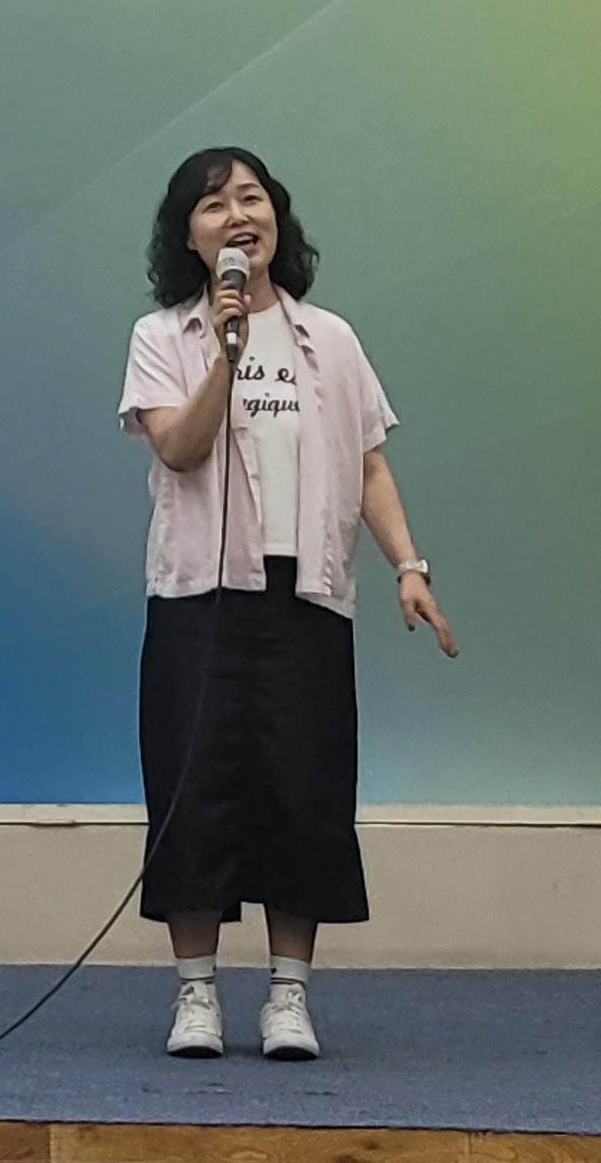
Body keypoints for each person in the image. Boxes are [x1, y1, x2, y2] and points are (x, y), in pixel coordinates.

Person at [120, 148, 453, 1063]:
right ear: (188, 236)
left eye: (252, 198)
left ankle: (288, 996)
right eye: (214, 204)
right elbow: (179, 448)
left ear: (278, 217)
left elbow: (367, 463)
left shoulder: (331, 340)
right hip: (198, 598)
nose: (238, 215)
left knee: (303, 789)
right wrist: (224, 358)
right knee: (192, 789)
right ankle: (196, 993)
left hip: (304, 596)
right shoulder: (165, 336)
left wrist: (409, 565)